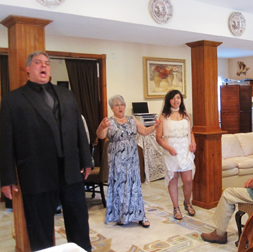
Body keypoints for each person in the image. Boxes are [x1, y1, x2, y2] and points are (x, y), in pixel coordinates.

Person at [0, 51, 92, 252]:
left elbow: (79, 130)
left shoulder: (67, 95)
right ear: (28, 68)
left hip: (70, 171)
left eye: (47, 63)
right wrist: (6, 177)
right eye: (38, 63)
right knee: (40, 227)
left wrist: (86, 160)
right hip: (36, 174)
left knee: (79, 221)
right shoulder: (12, 100)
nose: (43, 66)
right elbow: (5, 142)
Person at [96, 94, 160, 227]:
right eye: (116, 105)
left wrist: (156, 125)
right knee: (119, 187)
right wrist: (102, 126)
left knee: (134, 186)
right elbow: (101, 136)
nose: (120, 107)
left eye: (122, 104)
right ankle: (121, 215)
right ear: (112, 108)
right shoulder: (109, 121)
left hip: (132, 159)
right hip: (117, 160)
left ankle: (140, 215)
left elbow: (145, 131)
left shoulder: (132, 119)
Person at [156, 90, 196, 220]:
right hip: (170, 151)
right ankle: (176, 207)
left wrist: (193, 143)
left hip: (185, 150)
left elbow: (191, 132)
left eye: (178, 98)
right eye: (173, 98)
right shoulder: (163, 117)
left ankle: (187, 202)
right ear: (169, 101)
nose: (176, 100)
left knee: (188, 180)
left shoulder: (186, 115)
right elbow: (159, 137)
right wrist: (168, 147)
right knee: (173, 179)